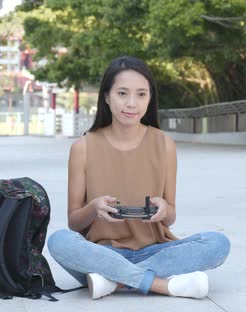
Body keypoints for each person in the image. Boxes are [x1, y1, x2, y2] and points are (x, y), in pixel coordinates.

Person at [47, 56, 230, 300]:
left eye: (141, 94)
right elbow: (74, 222)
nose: (131, 103)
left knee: (217, 243)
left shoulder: (164, 144)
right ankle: (160, 284)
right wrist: (93, 208)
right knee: (59, 240)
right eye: (122, 93)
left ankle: (114, 282)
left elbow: (171, 216)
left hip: (156, 252)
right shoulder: (83, 147)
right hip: (102, 253)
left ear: (150, 98)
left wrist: (164, 210)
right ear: (106, 97)